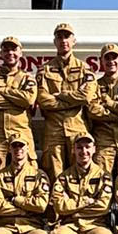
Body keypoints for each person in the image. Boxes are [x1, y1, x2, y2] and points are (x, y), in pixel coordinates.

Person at [36, 23, 96, 179]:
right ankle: (58, 203)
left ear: (74, 40)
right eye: (59, 37)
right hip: (53, 131)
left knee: (80, 173)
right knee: (55, 174)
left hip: (77, 129)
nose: (63, 40)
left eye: (67, 36)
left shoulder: (84, 68)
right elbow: (43, 100)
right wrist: (73, 100)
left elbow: (86, 96)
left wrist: (60, 95)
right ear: (54, 41)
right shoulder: (45, 70)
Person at [0, 36, 39, 172]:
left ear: (20, 52)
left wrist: (3, 90)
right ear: (1, 54)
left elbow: (28, 100)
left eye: (14, 49)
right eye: (6, 50)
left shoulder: (27, 78)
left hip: (21, 131)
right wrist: (16, 101)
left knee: (27, 172)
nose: (10, 53)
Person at [88, 43, 118, 173]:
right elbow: (93, 111)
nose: (111, 61)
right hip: (103, 141)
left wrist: (108, 103)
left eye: (114, 58)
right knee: (102, 179)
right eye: (107, 58)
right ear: (101, 61)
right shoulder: (94, 86)